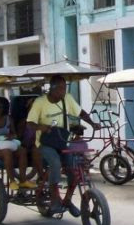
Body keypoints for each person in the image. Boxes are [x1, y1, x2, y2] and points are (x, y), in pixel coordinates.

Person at [26, 76, 100, 216]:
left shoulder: (67, 98)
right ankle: (54, 200)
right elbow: (30, 122)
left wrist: (92, 123)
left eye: (64, 88)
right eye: (60, 88)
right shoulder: (40, 102)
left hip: (62, 141)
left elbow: (80, 113)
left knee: (74, 169)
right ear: (52, 89)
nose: (63, 91)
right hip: (44, 143)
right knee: (55, 163)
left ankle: (67, 200)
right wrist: (42, 127)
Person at [0, 97, 32, 190]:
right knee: (7, 152)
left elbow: (14, 134)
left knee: (22, 151)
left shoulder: (8, 118)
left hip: (8, 143)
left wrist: (11, 136)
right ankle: (12, 181)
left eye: (0, 107)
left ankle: (23, 180)